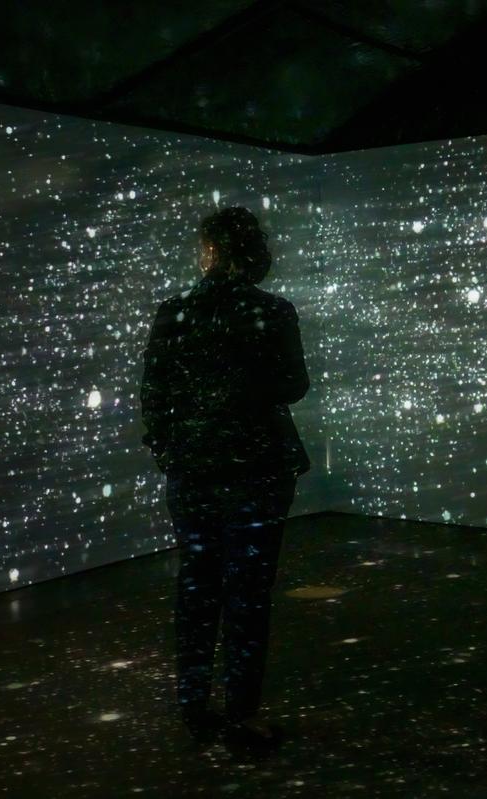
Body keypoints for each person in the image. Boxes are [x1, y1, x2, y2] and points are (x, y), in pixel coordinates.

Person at [138, 206, 311, 754]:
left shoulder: (174, 313)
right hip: (257, 467)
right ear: (253, 249)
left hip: (194, 470)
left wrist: (174, 451)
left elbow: (154, 397)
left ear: (209, 249)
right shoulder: (272, 311)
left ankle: (194, 706)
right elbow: (293, 385)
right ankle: (240, 713)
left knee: (197, 586)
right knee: (248, 593)